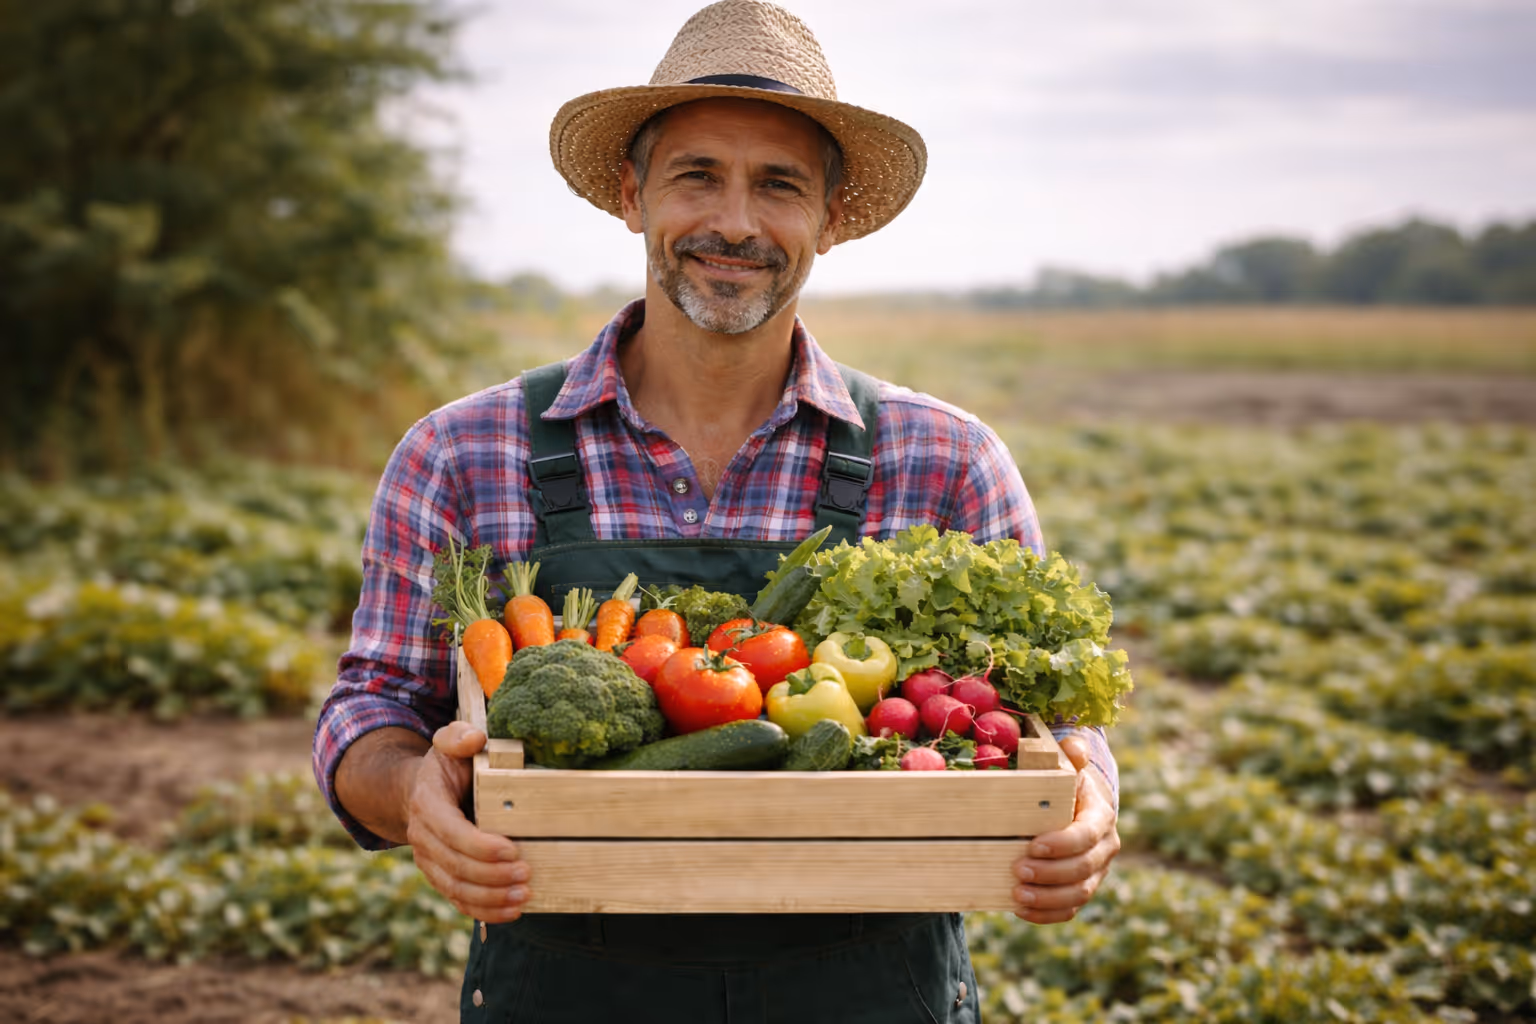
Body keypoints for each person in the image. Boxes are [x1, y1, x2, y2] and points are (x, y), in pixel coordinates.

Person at [313, 2, 1120, 1020]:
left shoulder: (947, 460)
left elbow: (1066, 730)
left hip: (872, 989)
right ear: (631, 193)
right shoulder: (465, 451)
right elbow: (370, 706)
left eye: (778, 184)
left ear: (829, 217)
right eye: (698, 174)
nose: (734, 221)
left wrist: (1087, 809)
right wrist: (411, 794)